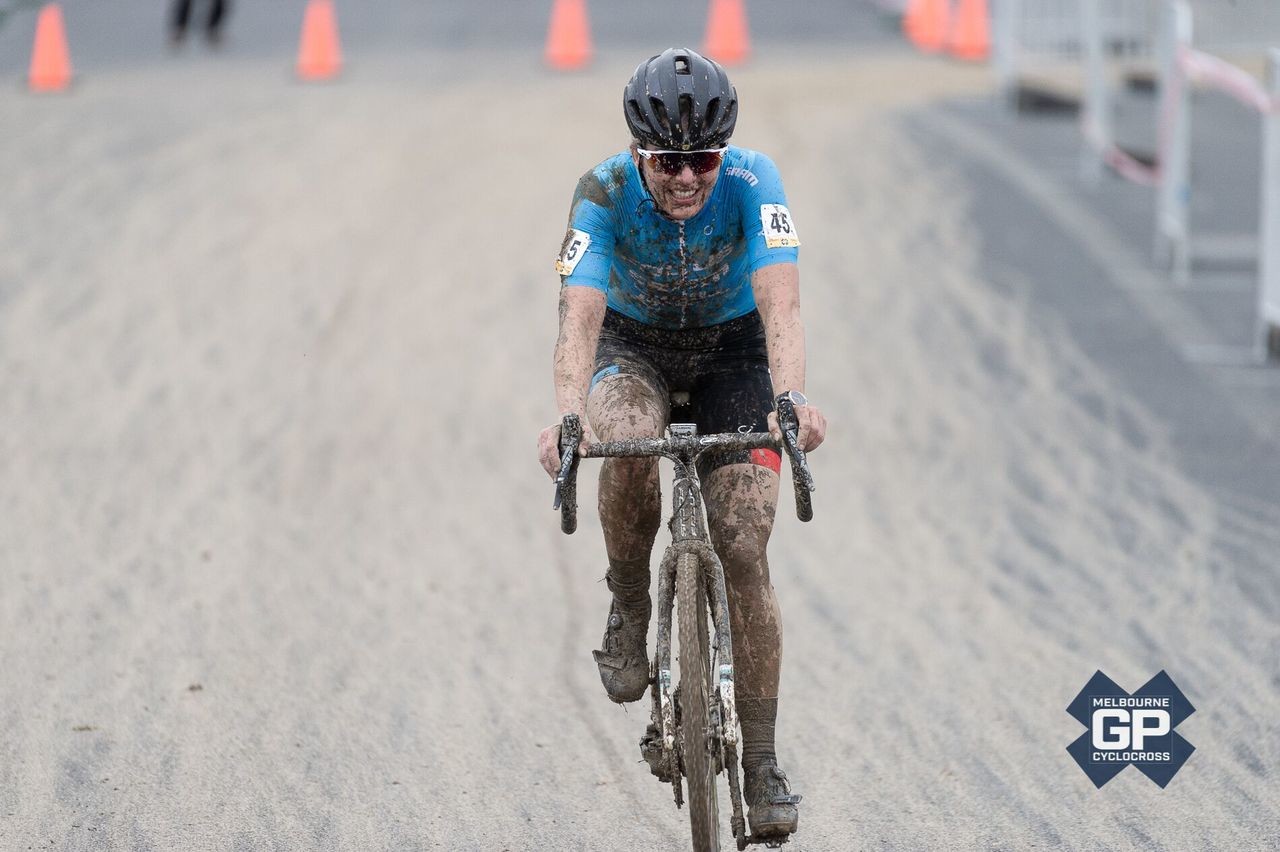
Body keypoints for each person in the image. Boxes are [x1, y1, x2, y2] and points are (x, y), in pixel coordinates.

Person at [537, 48, 826, 840]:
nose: (688, 179)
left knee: (743, 539)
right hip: (634, 347)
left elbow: (782, 305)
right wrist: (569, 414)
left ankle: (762, 761)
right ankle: (630, 600)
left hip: (734, 354)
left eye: (703, 158)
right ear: (639, 153)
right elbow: (579, 315)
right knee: (622, 439)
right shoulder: (599, 191)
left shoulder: (754, 181)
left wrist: (792, 398)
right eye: (669, 162)